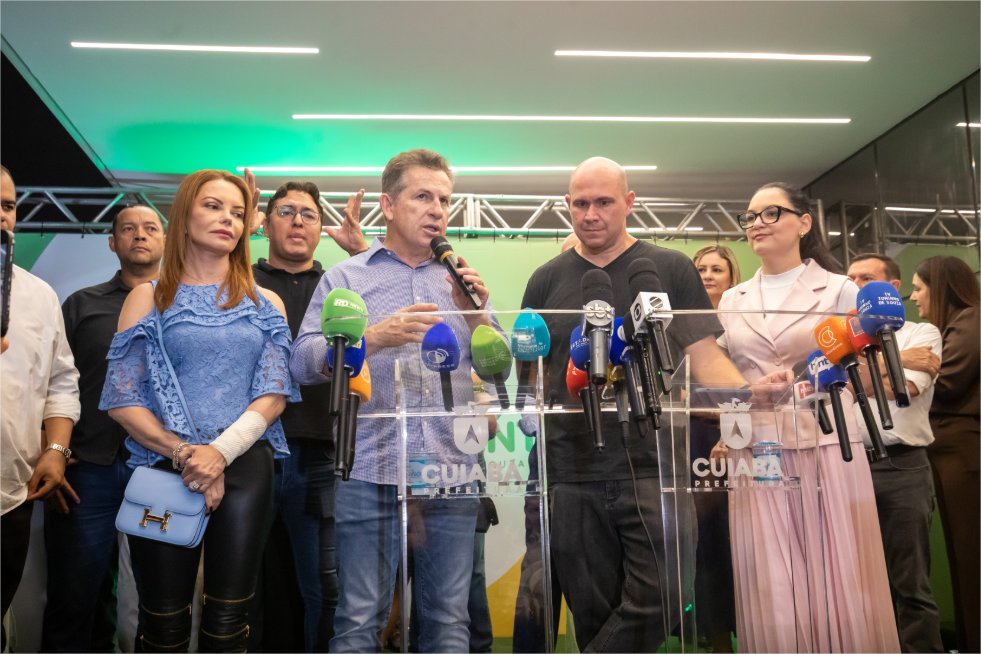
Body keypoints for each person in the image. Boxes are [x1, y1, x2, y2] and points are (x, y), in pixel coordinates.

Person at [520, 156, 746, 651]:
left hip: (654, 462)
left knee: (667, 594)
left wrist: (749, 392)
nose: (591, 214)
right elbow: (530, 374)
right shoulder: (545, 279)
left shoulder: (669, 268)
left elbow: (705, 354)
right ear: (567, 205)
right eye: (581, 204)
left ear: (629, 202)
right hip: (571, 469)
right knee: (594, 613)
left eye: (604, 202)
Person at [291, 149, 495, 653]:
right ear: (387, 204)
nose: (437, 210)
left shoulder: (460, 280)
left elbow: (497, 368)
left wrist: (477, 315)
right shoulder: (346, 279)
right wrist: (373, 338)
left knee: (449, 622)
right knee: (359, 620)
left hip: (450, 470)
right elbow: (303, 362)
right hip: (370, 468)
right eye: (423, 197)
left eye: (444, 200)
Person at [100, 169, 298, 652]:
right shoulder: (148, 297)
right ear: (184, 216)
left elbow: (273, 394)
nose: (228, 219)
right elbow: (123, 400)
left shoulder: (266, 302)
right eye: (213, 206)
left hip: (246, 466)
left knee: (229, 621)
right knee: (162, 622)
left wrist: (220, 453)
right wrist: (190, 455)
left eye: (238, 212)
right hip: (164, 465)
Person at [716, 182, 899, 652]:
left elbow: (866, 369)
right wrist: (734, 421)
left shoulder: (840, 289)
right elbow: (724, 378)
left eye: (770, 213)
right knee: (771, 579)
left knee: (836, 570)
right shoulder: (733, 299)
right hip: (757, 449)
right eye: (750, 217)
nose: (756, 224)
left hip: (826, 442)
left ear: (803, 223)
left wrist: (819, 379)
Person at [249, 178, 367, 652]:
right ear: (264, 224)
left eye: (309, 215)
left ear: (321, 230)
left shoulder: (342, 285)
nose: (298, 222)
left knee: (326, 589)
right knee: (243, 583)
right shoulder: (240, 281)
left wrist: (361, 252)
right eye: (286, 212)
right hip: (250, 450)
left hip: (323, 452)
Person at [41, 205, 165, 652]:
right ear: (112, 243)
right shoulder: (80, 304)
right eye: (128, 229)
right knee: (75, 598)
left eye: (150, 228)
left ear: (165, 241)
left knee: (161, 600)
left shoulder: (182, 305)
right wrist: (53, 452)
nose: (139, 235)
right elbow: (52, 385)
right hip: (87, 469)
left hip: (161, 469)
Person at [0, 165, 82, 650]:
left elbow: (60, 382)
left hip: (10, 496)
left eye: (8, 206)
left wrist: (56, 450)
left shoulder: (38, 294)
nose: (1, 216)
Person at [846, 253, 945, 652]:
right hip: (848, 468)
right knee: (856, 583)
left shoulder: (923, 333)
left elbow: (902, 390)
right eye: (851, 279)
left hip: (902, 467)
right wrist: (894, 361)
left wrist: (855, 368)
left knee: (911, 585)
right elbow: (834, 387)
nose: (856, 287)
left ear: (893, 288)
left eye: (866, 279)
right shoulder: (842, 333)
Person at [910, 255, 980, 654]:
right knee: (963, 555)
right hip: (954, 453)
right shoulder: (959, 325)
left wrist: (907, 379)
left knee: (971, 556)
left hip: (964, 454)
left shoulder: (970, 321)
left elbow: (947, 381)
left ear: (940, 288)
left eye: (918, 288)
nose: (914, 297)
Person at [690, 244, 741, 652]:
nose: (707, 275)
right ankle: (715, 638)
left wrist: (732, 431)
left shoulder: (742, 326)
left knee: (734, 539)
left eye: (716, 269)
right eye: (701, 269)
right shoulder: (678, 326)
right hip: (690, 442)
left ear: (731, 276)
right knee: (703, 543)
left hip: (734, 440)